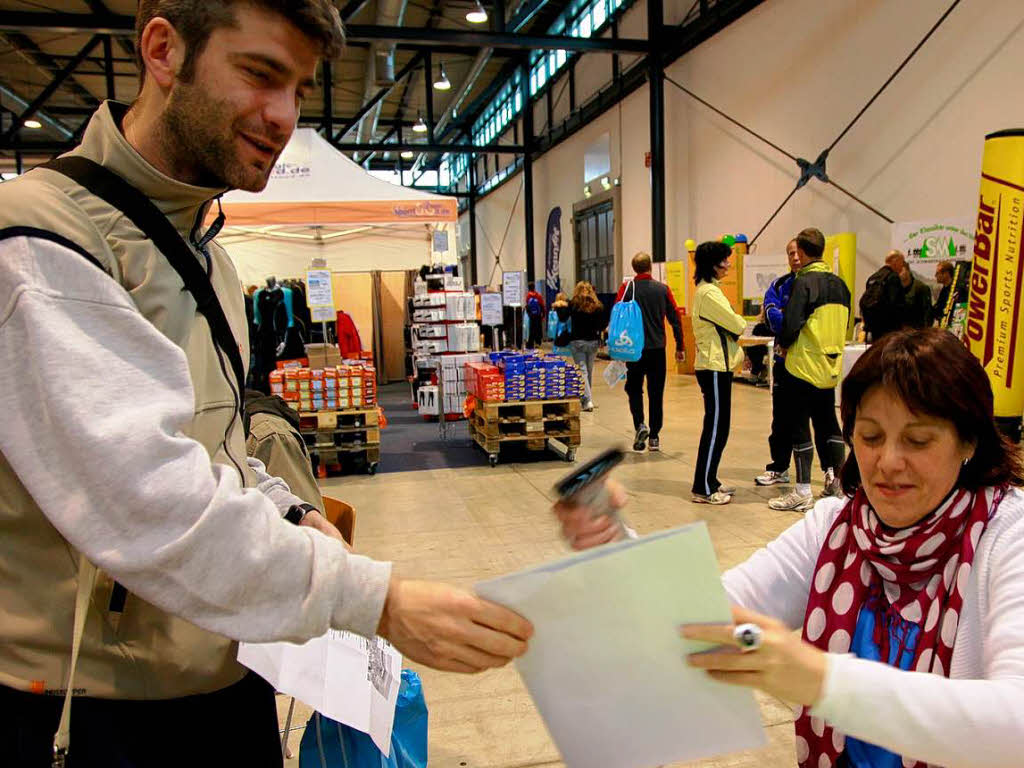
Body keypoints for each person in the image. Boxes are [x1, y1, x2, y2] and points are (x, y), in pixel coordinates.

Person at [0, 3, 531, 765]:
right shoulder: (41, 243)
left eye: (299, 90)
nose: (283, 118)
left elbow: (216, 445)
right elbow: (145, 500)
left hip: (223, 674)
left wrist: (286, 511)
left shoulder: (209, 255)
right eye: (259, 75)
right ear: (162, 50)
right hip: (95, 712)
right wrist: (377, 601)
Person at [555, 327, 1024, 768]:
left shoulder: (1008, 535)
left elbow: (1014, 721)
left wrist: (823, 680)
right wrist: (611, 538)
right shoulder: (838, 528)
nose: (887, 462)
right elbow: (709, 617)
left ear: (969, 441)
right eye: (870, 436)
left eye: (918, 440)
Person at [770, 228, 850, 511]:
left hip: (802, 365)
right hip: (829, 367)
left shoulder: (803, 283)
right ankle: (837, 485)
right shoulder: (841, 285)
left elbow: (791, 324)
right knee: (828, 422)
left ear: (801, 253)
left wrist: (784, 344)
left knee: (799, 426)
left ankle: (802, 490)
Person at [690, 241, 748, 503]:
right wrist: (739, 322)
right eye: (724, 260)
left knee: (720, 426)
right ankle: (703, 487)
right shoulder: (709, 294)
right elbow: (737, 323)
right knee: (715, 427)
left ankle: (710, 479)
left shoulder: (710, 290)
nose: (728, 265)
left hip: (719, 366)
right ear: (712, 264)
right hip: (713, 367)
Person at [615, 252, 685, 451]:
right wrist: (680, 345)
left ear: (634, 268)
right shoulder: (662, 289)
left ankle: (640, 425)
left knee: (634, 389)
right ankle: (654, 436)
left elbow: (616, 315)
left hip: (633, 349)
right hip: (657, 350)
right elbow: (675, 318)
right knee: (656, 393)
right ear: (650, 268)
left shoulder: (626, 289)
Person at [564, 281, 607, 412]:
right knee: (588, 371)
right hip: (593, 342)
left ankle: (587, 400)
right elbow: (602, 325)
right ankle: (587, 399)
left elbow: (563, 318)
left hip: (577, 341)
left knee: (582, 371)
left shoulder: (573, 305)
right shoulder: (598, 306)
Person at [859, 250, 908, 341]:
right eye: (902, 262)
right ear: (895, 261)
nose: (902, 266)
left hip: (873, 327)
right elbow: (896, 304)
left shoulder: (873, 277)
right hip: (889, 330)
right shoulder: (893, 277)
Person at [899, 262, 932, 330]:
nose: (899, 274)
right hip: (901, 332)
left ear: (908, 270)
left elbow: (927, 313)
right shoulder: (896, 289)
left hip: (917, 331)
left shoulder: (921, 287)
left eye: (901, 270)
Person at [525, 281, 546, 349]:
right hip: (538, 315)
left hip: (531, 316)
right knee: (538, 329)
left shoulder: (528, 296)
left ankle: (530, 344)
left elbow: (527, 306)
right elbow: (542, 306)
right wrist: (543, 315)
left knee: (531, 329)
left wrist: (528, 314)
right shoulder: (538, 295)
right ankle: (538, 342)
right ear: (534, 287)